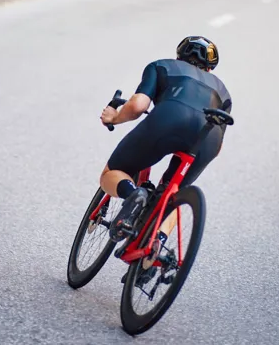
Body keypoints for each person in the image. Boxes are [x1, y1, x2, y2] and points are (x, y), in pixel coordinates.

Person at [99, 35, 233, 242]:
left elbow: (137, 106)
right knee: (174, 193)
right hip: (208, 139)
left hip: (170, 117)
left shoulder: (162, 66)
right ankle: (155, 248)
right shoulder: (223, 92)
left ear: (179, 56)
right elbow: (220, 146)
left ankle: (133, 195)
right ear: (210, 68)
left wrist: (115, 117)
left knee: (113, 172)